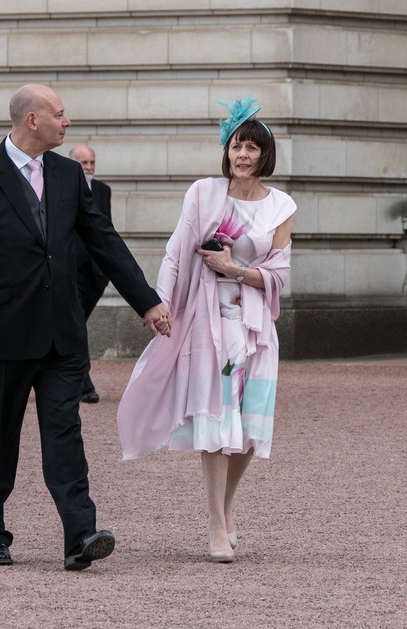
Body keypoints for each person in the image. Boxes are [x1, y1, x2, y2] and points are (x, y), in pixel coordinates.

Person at [0, 84, 172, 571]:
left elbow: (103, 240)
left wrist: (147, 301)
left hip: (62, 334)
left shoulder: (69, 174)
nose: (67, 123)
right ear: (32, 120)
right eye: (60, 115)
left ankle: (80, 535)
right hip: (0, 334)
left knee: (65, 434)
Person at [116, 98, 295, 563]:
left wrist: (235, 270)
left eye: (252, 148)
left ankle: (227, 507)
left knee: (251, 428)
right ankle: (215, 523)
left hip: (256, 328)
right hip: (209, 324)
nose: (243, 155)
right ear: (226, 150)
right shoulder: (203, 193)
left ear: (265, 155)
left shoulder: (282, 206)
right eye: (236, 146)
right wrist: (158, 304)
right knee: (216, 422)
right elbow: (176, 252)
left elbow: (279, 274)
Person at [68, 144, 112, 403]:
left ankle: (73, 379)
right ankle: (84, 384)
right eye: (84, 162)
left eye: (91, 162)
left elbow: (106, 230)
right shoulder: (63, 187)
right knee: (76, 324)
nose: (89, 167)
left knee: (76, 324)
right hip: (70, 270)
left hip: (95, 273)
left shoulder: (103, 190)